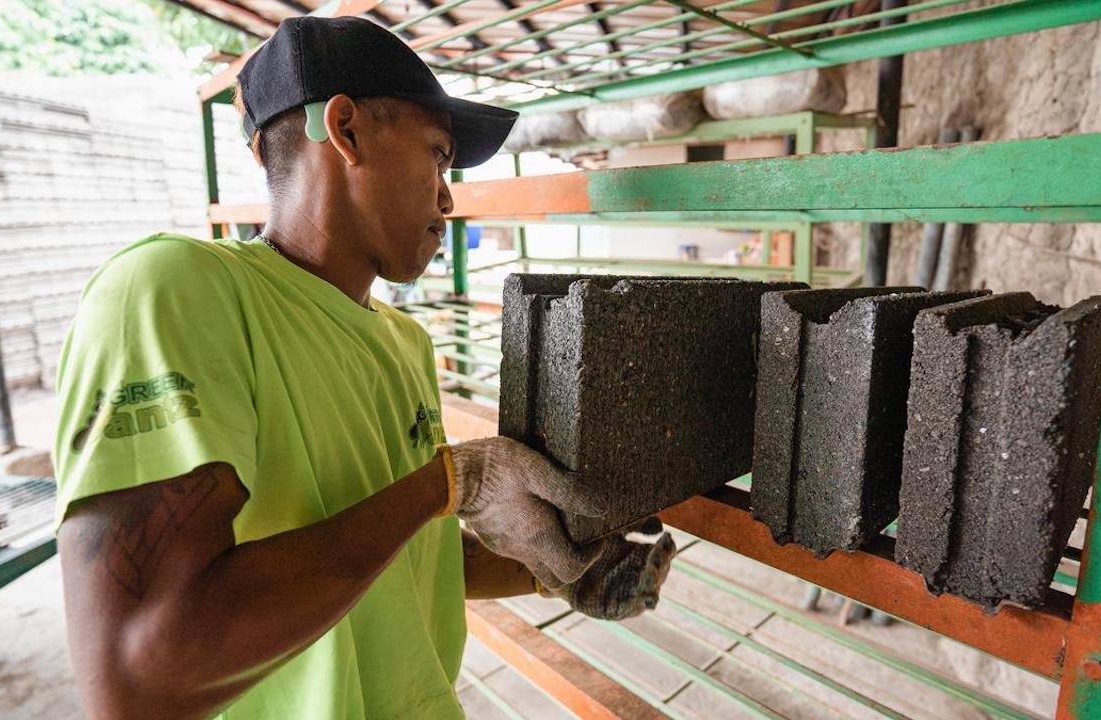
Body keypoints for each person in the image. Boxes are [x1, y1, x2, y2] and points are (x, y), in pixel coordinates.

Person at [52, 16, 675, 720]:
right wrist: (446, 483)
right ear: (345, 130)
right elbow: (138, 678)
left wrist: (555, 575)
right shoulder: (174, 291)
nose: (447, 199)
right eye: (438, 156)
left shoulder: (402, 342)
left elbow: (405, 562)